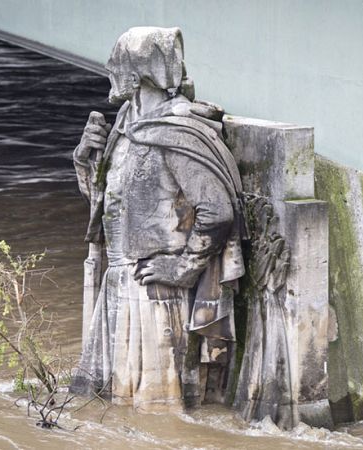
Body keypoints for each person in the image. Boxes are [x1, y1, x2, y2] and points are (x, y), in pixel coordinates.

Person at [70, 27, 244, 411]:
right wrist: (86, 158)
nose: (112, 72)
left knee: (155, 409)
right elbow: (111, 206)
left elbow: (217, 212)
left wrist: (182, 268)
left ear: (138, 72)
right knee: (109, 404)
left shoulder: (178, 131)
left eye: (119, 64)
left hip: (154, 293)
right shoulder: (126, 123)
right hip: (119, 282)